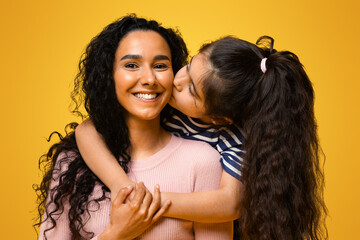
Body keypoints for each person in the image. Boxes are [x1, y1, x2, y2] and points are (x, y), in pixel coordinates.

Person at [75, 35, 328, 239]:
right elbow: (85, 130)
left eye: (192, 89)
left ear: (218, 119)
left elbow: (229, 203)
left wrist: (150, 201)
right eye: (188, 65)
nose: (178, 80)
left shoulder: (232, 140)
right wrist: (124, 187)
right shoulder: (165, 104)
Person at [34, 15, 233, 240]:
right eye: (131, 65)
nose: (149, 78)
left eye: (160, 65)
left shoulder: (202, 162)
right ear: (109, 76)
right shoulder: (72, 161)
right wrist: (117, 233)